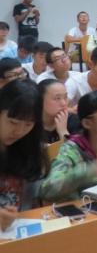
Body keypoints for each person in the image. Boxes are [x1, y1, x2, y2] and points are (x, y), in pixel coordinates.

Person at [40, 89, 97, 202]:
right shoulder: (72, 149)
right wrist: (92, 168)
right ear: (87, 123)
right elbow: (48, 189)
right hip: (85, 210)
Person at [0, 80, 47, 228]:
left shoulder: (30, 147)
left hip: (21, 227)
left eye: (28, 124)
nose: (19, 131)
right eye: (13, 122)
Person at [39, 79, 80, 144]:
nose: (64, 103)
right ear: (40, 101)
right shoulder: (30, 124)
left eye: (65, 97)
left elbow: (77, 150)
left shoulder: (73, 120)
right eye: (57, 98)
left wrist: (63, 131)